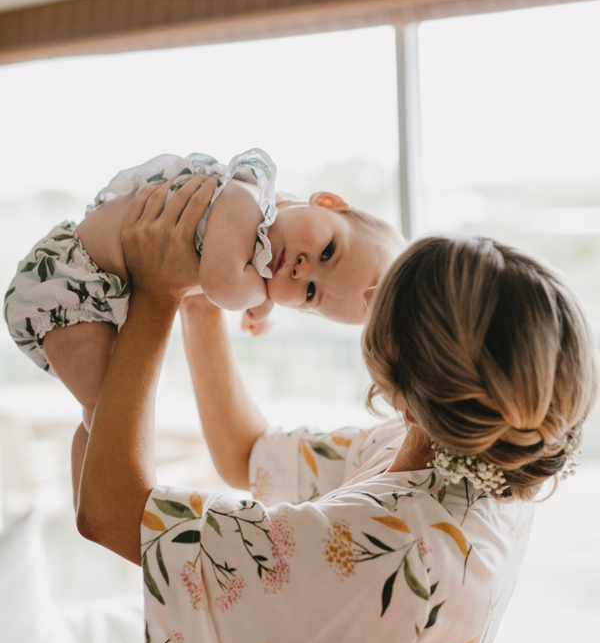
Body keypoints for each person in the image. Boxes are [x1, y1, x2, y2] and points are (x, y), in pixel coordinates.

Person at [76, 178, 597, 643]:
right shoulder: (475, 462)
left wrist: (156, 296)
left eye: (382, 298)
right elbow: (247, 453)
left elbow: (108, 510)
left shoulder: (385, 547)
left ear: (397, 391)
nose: (368, 302)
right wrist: (203, 304)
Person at [4, 150, 403, 501]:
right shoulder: (249, 197)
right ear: (328, 202)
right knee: (109, 409)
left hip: (94, 300)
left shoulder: (256, 247)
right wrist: (263, 301)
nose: (302, 270)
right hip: (66, 283)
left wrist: (263, 297)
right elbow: (221, 285)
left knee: (105, 413)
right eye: (329, 251)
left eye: (312, 292)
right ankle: (100, 506)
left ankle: (92, 504)